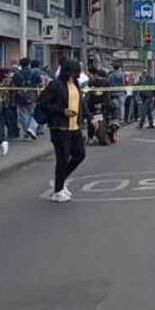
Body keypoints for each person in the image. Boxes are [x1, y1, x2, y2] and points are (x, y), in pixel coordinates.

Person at [37, 59, 86, 203]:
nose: (78, 72)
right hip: (60, 127)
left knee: (79, 154)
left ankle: (60, 180)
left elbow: (81, 103)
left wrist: (90, 118)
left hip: (75, 126)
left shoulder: (75, 84)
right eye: (77, 69)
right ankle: (58, 190)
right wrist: (62, 111)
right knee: (62, 158)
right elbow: (43, 103)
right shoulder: (56, 85)